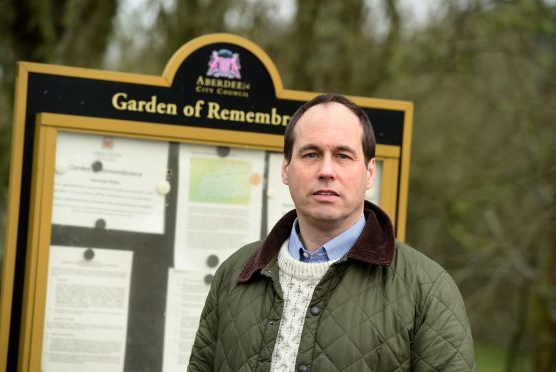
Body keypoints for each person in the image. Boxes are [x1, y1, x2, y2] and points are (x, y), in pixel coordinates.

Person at [188, 94, 476, 371]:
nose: (326, 170)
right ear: (286, 168)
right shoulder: (234, 274)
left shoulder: (427, 289)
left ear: (369, 172)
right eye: (311, 154)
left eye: (343, 156)